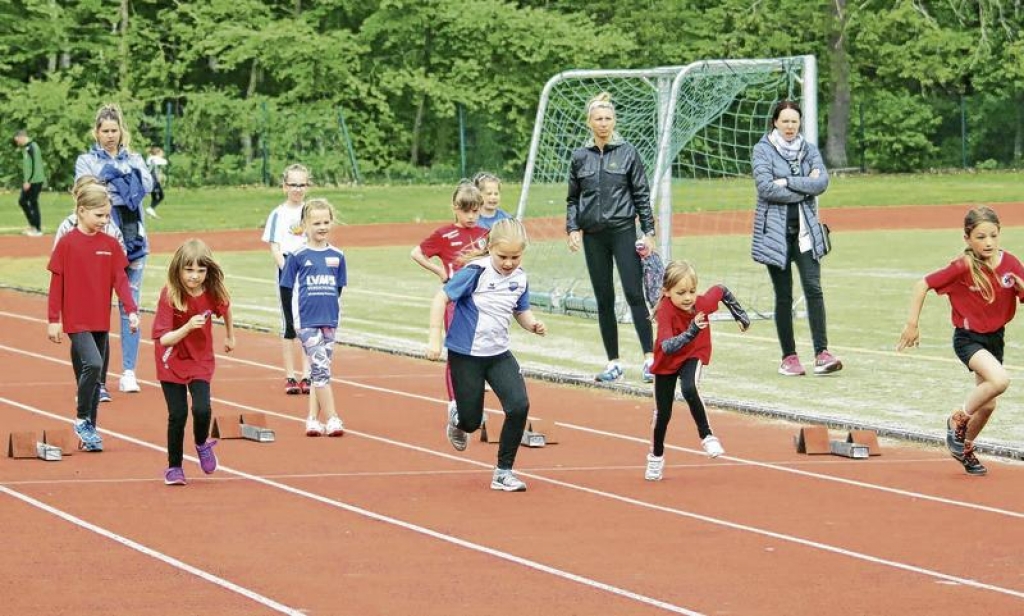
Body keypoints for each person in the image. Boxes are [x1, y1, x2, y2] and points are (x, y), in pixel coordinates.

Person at [897, 206, 1024, 477]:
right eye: (980, 236)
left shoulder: (1011, 264)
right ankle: (957, 420)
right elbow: (922, 284)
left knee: (988, 403)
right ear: (967, 238)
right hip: (968, 339)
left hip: (995, 339)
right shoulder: (962, 266)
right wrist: (912, 324)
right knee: (1000, 381)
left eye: (993, 235)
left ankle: (963, 447)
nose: (988, 242)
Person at [426, 218, 546, 492]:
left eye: (515, 257)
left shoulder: (520, 277)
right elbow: (441, 298)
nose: (508, 263)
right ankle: (458, 417)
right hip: (466, 354)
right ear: (490, 247)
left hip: (498, 354)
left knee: (519, 406)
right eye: (502, 256)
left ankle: (504, 472)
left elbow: (520, 309)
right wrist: (435, 338)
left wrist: (532, 324)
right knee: (471, 422)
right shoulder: (475, 272)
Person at [566, 92, 656, 384]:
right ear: (589, 122)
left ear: (614, 121)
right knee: (604, 298)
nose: (603, 123)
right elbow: (572, 199)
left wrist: (649, 231)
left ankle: (650, 359)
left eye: (608, 118)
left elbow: (641, 193)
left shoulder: (628, 152)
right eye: (598, 119)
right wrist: (573, 229)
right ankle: (613, 363)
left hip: (622, 231)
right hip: (593, 236)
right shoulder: (580, 157)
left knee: (634, 293)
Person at [46, 178, 139, 452]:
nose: (104, 220)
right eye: (99, 215)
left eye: (107, 216)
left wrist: (132, 311)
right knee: (95, 365)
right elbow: (56, 284)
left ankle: (90, 433)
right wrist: (54, 320)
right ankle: (82, 419)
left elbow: (120, 281)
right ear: (81, 211)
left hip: (100, 319)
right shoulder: (67, 243)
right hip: (76, 320)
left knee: (95, 378)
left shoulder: (110, 244)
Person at [751, 100, 841, 377]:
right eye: (785, 121)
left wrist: (788, 181)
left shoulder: (809, 150)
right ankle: (789, 357)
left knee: (814, 289)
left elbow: (821, 183)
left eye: (794, 121)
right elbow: (766, 188)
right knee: (784, 295)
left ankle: (821, 353)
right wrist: (805, 186)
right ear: (775, 122)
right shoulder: (762, 150)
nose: (790, 126)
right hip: (775, 235)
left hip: (805, 233)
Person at [645, 260, 750, 481]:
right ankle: (656, 457)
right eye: (681, 292)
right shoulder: (665, 311)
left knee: (690, 388)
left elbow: (720, 290)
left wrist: (740, 314)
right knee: (663, 414)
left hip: (694, 353)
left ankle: (707, 435)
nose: (688, 298)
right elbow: (667, 346)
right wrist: (692, 330)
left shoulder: (701, 304)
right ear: (666, 292)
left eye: (692, 291)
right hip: (668, 359)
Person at [75, 103, 153, 395]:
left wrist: (115, 181)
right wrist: (119, 182)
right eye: (105, 130)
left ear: (122, 131)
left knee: (130, 306)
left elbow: (145, 184)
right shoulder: (86, 160)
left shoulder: (135, 158)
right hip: (100, 241)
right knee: (97, 307)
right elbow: (88, 188)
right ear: (96, 132)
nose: (110, 135)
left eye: (114, 130)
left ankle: (129, 371)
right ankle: (98, 379)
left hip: (134, 239)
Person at [153, 239, 235, 485]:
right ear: (178, 269)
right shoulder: (169, 294)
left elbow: (226, 308)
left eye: (201, 270)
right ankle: (174, 467)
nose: (195, 276)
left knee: (201, 409)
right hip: (171, 360)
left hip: (200, 359)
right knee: (177, 414)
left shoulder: (212, 292)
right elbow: (164, 339)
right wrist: (188, 327)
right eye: (189, 270)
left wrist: (230, 335)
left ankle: (201, 444)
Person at [410, 181, 489, 421]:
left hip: (480, 301)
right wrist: (440, 272)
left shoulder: (485, 234)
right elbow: (416, 253)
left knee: (481, 350)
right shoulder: (445, 234)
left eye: (476, 210)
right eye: (467, 211)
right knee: (457, 352)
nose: (472, 216)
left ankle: (474, 403)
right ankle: (454, 403)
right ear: (455, 208)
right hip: (455, 300)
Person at [53, 177, 127, 404]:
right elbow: (59, 260)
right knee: (82, 345)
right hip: (76, 296)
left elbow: (118, 252)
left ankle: (99, 384)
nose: (103, 219)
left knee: (100, 339)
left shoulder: (109, 225)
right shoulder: (67, 226)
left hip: (100, 292)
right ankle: (83, 385)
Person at [279, 199, 347, 437]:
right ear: (305, 225)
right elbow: (286, 288)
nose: (322, 227)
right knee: (320, 369)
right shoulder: (297, 256)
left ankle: (311, 419)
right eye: (316, 222)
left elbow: (338, 288)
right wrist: (291, 322)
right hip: (306, 322)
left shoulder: (338, 256)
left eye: (326, 222)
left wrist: (333, 313)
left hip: (329, 320)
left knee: (321, 371)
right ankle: (332, 418)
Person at [262, 164, 313, 395]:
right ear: (285, 186)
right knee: (290, 324)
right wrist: (288, 271)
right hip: (288, 269)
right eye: (293, 184)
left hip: (310, 269)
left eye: (302, 184)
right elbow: (274, 246)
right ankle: (290, 375)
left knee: (309, 323)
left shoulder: (311, 211)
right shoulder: (278, 214)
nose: (297, 189)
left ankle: (308, 374)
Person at [13, 129, 46, 237]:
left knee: (33, 202)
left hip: (34, 181)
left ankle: (37, 229)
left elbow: (35, 165)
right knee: (22, 201)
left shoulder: (32, 147)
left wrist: (28, 181)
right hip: (30, 181)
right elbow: (28, 166)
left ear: (22, 137)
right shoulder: (26, 148)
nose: (17, 143)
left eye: (17, 141)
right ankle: (33, 225)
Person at [145, 146, 168, 219]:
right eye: (161, 153)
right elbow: (164, 162)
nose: (162, 154)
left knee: (155, 197)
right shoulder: (153, 159)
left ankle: (150, 213)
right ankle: (150, 209)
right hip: (154, 182)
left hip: (152, 181)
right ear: (157, 153)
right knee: (161, 196)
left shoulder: (150, 158)